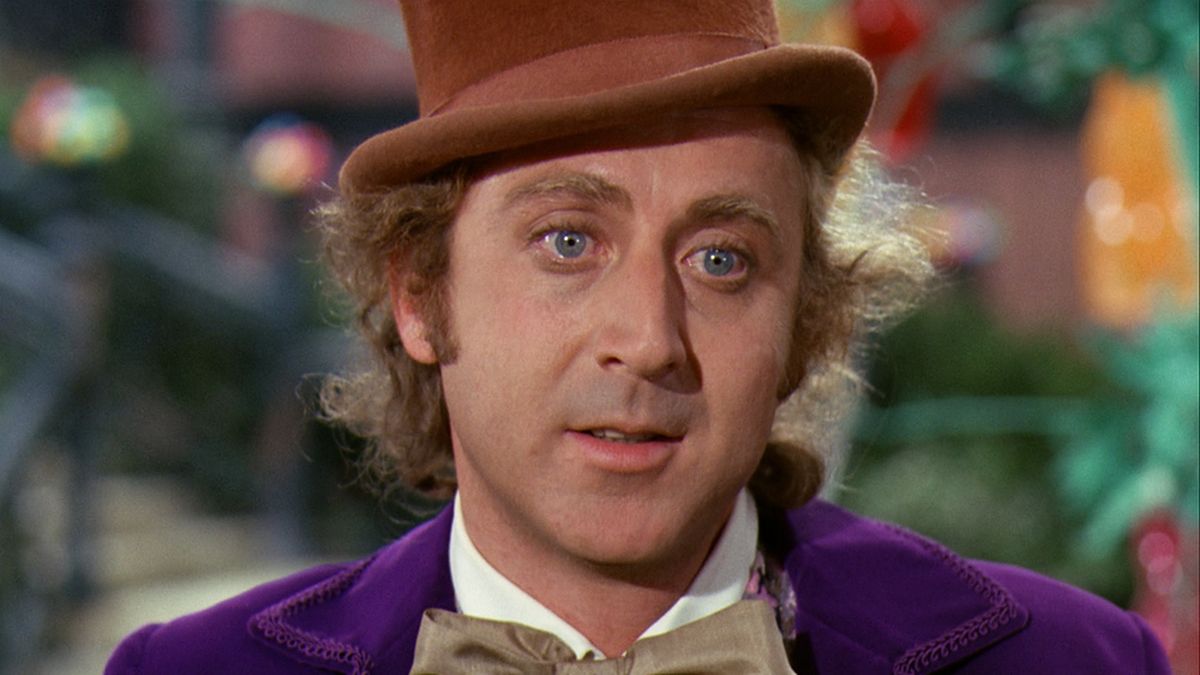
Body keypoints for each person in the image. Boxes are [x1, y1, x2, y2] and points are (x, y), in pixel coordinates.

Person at [106, 0, 1171, 673]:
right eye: (568, 241)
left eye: (722, 259)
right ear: (421, 295)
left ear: (804, 322)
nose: (650, 339)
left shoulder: (1073, 661)